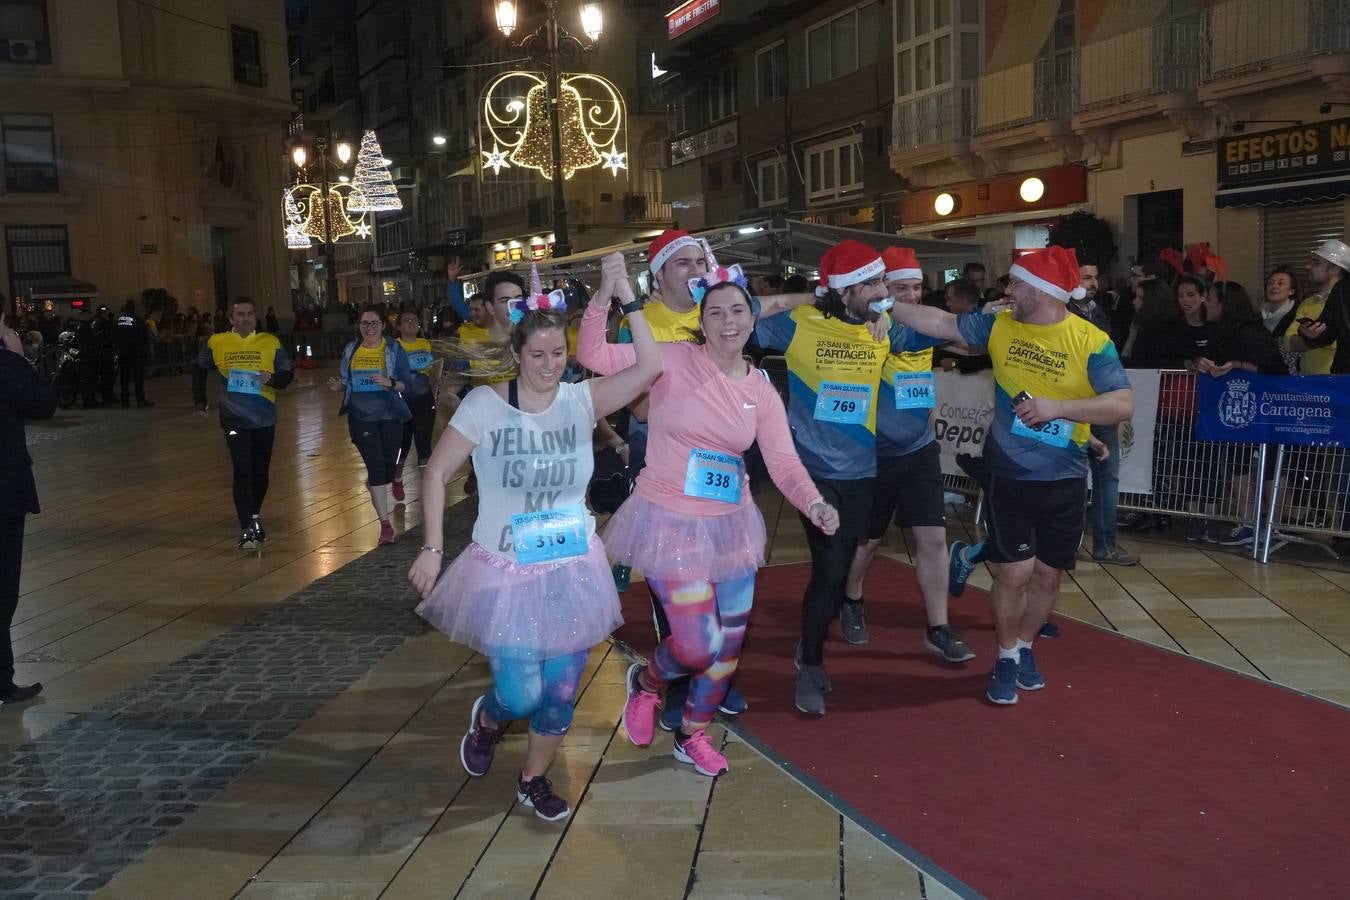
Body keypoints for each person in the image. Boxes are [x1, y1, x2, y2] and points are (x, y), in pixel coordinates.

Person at [409, 264, 662, 821]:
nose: (549, 366)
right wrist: (430, 548)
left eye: (558, 354)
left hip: (571, 567)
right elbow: (434, 473)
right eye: (538, 355)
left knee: (562, 689)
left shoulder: (580, 401)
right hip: (504, 567)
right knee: (521, 695)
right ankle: (490, 718)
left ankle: (533, 778)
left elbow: (651, 366)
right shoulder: (485, 406)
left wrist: (628, 297)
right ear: (518, 354)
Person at [579, 253, 840, 771]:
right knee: (698, 644)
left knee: (729, 647)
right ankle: (648, 682)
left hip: (731, 525)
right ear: (701, 321)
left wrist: (813, 502)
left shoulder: (761, 388)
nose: (728, 322)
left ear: (752, 318)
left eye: (738, 312)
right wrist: (606, 292)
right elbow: (591, 354)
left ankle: (692, 734)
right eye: (716, 313)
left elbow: (784, 460)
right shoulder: (670, 360)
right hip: (669, 520)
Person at [888, 246, 1133, 706]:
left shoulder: (1090, 339)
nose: (1008, 290)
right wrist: (883, 303)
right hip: (1009, 472)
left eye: (1016, 283)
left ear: (1040, 290)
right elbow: (942, 324)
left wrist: (1059, 409)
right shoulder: (999, 325)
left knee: (1047, 577)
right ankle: (1004, 656)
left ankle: (1024, 648)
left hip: (1064, 476)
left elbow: (1122, 404)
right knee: (1014, 573)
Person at [753, 240, 929, 715]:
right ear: (844, 290)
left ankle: (812, 647)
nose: (879, 289)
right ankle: (809, 662)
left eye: (880, 282)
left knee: (839, 568)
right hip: (812, 470)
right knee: (830, 569)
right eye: (869, 283)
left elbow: (942, 333)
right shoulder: (799, 324)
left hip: (862, 471)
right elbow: (736, 322)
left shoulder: (885, 326)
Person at [843, 246, 974, 662]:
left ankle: (938, 626)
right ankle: (852, 599)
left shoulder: (922, 324)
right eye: (902, 288)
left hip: (919, 449)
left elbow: (965, 343)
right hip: (875, 453)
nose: (913, 295)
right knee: (868, 540)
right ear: (883, 289)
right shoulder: (873, 327)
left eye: (918, 287)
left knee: (933, 538)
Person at [193, 298, 295, 549]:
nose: (245, 318)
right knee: (243, 470)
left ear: (255, 316)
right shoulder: (217, 342)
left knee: (260, 472)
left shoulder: (270, 342)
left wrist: (271, 378)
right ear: (231, 319)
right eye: (240, 314)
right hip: (233, 417)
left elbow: (287, 374)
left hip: (264, 417)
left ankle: (254, 514)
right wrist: (200, 400)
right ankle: (247, 527)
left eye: (250, 313)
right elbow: (198, 368)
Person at [1, 313, 55, 705]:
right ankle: (2, 680)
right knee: (3, 592)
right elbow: (42, 405)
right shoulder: (7, 365)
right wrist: (20, 358)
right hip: (4, 495)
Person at [328, 305, 414, 546]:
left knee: (387, 469)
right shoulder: (351, 349)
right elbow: (347, 380)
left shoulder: (394, 349)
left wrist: (390, 382)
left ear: (383, 325)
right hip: (361, 416)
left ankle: (381, 481)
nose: (370, 328)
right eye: (365, 323)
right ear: (359, 326)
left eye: (374, 323)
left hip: (390, 416)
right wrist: (339, 386)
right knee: (376, 469)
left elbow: (407, 384)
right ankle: (385, 526)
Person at [1068, 263, 1137, 566]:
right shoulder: (1062, 313)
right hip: (1073, 404)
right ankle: (1066, 544)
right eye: (1086, 277)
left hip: (1101, 403)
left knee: (1107, 476)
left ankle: (1105, 544)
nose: (1093, 283)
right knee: (1070, 478)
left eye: (1096, 277)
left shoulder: (1100, 311)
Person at [392, 309, 436, 501]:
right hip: (403, 402)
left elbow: (434, 370)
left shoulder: (425, 344)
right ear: (399, 326)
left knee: (424, 443)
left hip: (424, 400)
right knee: (403, 443)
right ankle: (396, 477)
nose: (411, 324)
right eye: (407, 321)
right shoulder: (394, 347)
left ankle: (427, 488)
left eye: (415, 321)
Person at [1293, 239, 1349, 374]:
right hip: (1344, 378)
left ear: (1335, 268)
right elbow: (1328, 331)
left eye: (1316, 262)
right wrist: (1307, 333)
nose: (1309, 266)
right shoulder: (1342, 289)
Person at [114, 300, 153, 408]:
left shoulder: (118, 320)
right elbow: (144, 336)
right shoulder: (137, 320)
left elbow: (114, 335)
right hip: (135, 352)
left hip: (122, 351)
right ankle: (140, 400)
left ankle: (125, 401)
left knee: (124, 377)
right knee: (138, 377)